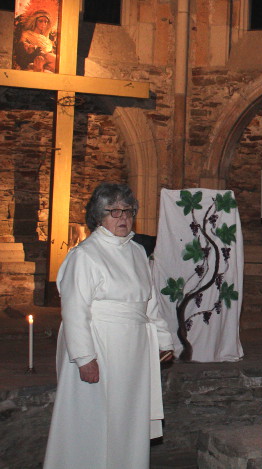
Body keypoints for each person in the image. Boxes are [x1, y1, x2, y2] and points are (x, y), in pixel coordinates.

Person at [43, 183, 174, 469]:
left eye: (127, 211)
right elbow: (75, 310)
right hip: (100, 346)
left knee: (128, 417)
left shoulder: (138, 252)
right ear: (98, 217)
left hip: (134, 352)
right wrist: (84, 358)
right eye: (113, 211)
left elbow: (148, 301)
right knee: (94, 420)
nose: (122, 217)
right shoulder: (85, 255)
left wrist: (165, 341)